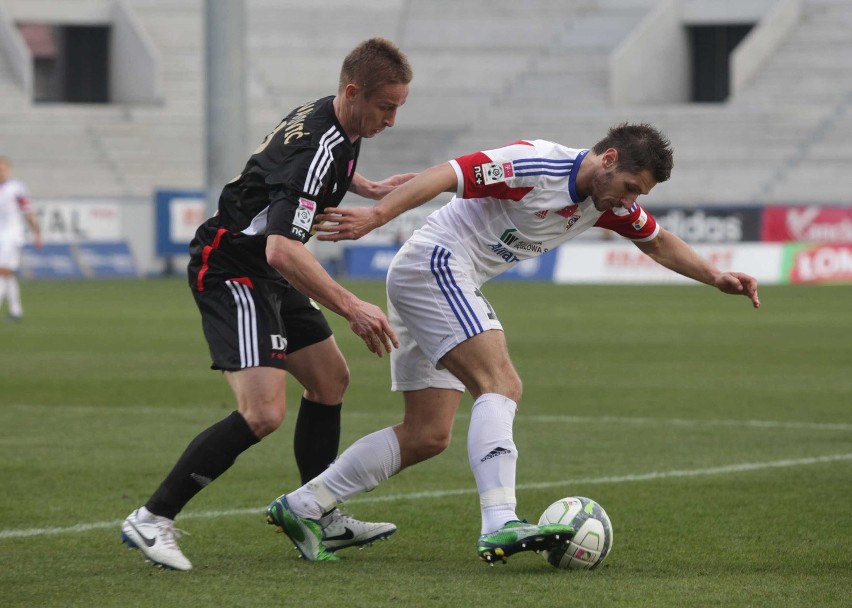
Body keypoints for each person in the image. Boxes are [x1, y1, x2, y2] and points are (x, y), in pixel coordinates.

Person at [265, 123, 761, 564]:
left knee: (427, 434)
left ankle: (306, 504)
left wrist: (715, 276)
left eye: (640, 195)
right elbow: (445, 174)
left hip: (436, 277)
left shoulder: (607, 202)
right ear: (607, 160)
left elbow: (656, 240)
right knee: (500, 382)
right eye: (631, 187)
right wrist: (378, 217)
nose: (631, 202)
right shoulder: (537, 164)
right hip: (435, 263)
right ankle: (500, 521)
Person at [121, 37, 414, 571]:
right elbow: (283, 247)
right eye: (386, 107)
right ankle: (152, 517)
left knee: (330, 382)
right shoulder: (318, 145)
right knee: (263, 413)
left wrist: (369, 189)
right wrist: (352, 305)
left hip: (266, 268)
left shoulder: (332, 116)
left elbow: (289, 168)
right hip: (234, 266)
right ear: (353, 91)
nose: (391, 120)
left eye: (397, 107)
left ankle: (316, 512)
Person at [0, 156, 42, 321]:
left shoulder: (17, 188)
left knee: (2, 271)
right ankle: (16, 311)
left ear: (8, 170)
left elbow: (28, 212)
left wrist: (37, 232)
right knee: (8, 274)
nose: (0, 171)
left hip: (11, 236)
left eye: (3, 168)